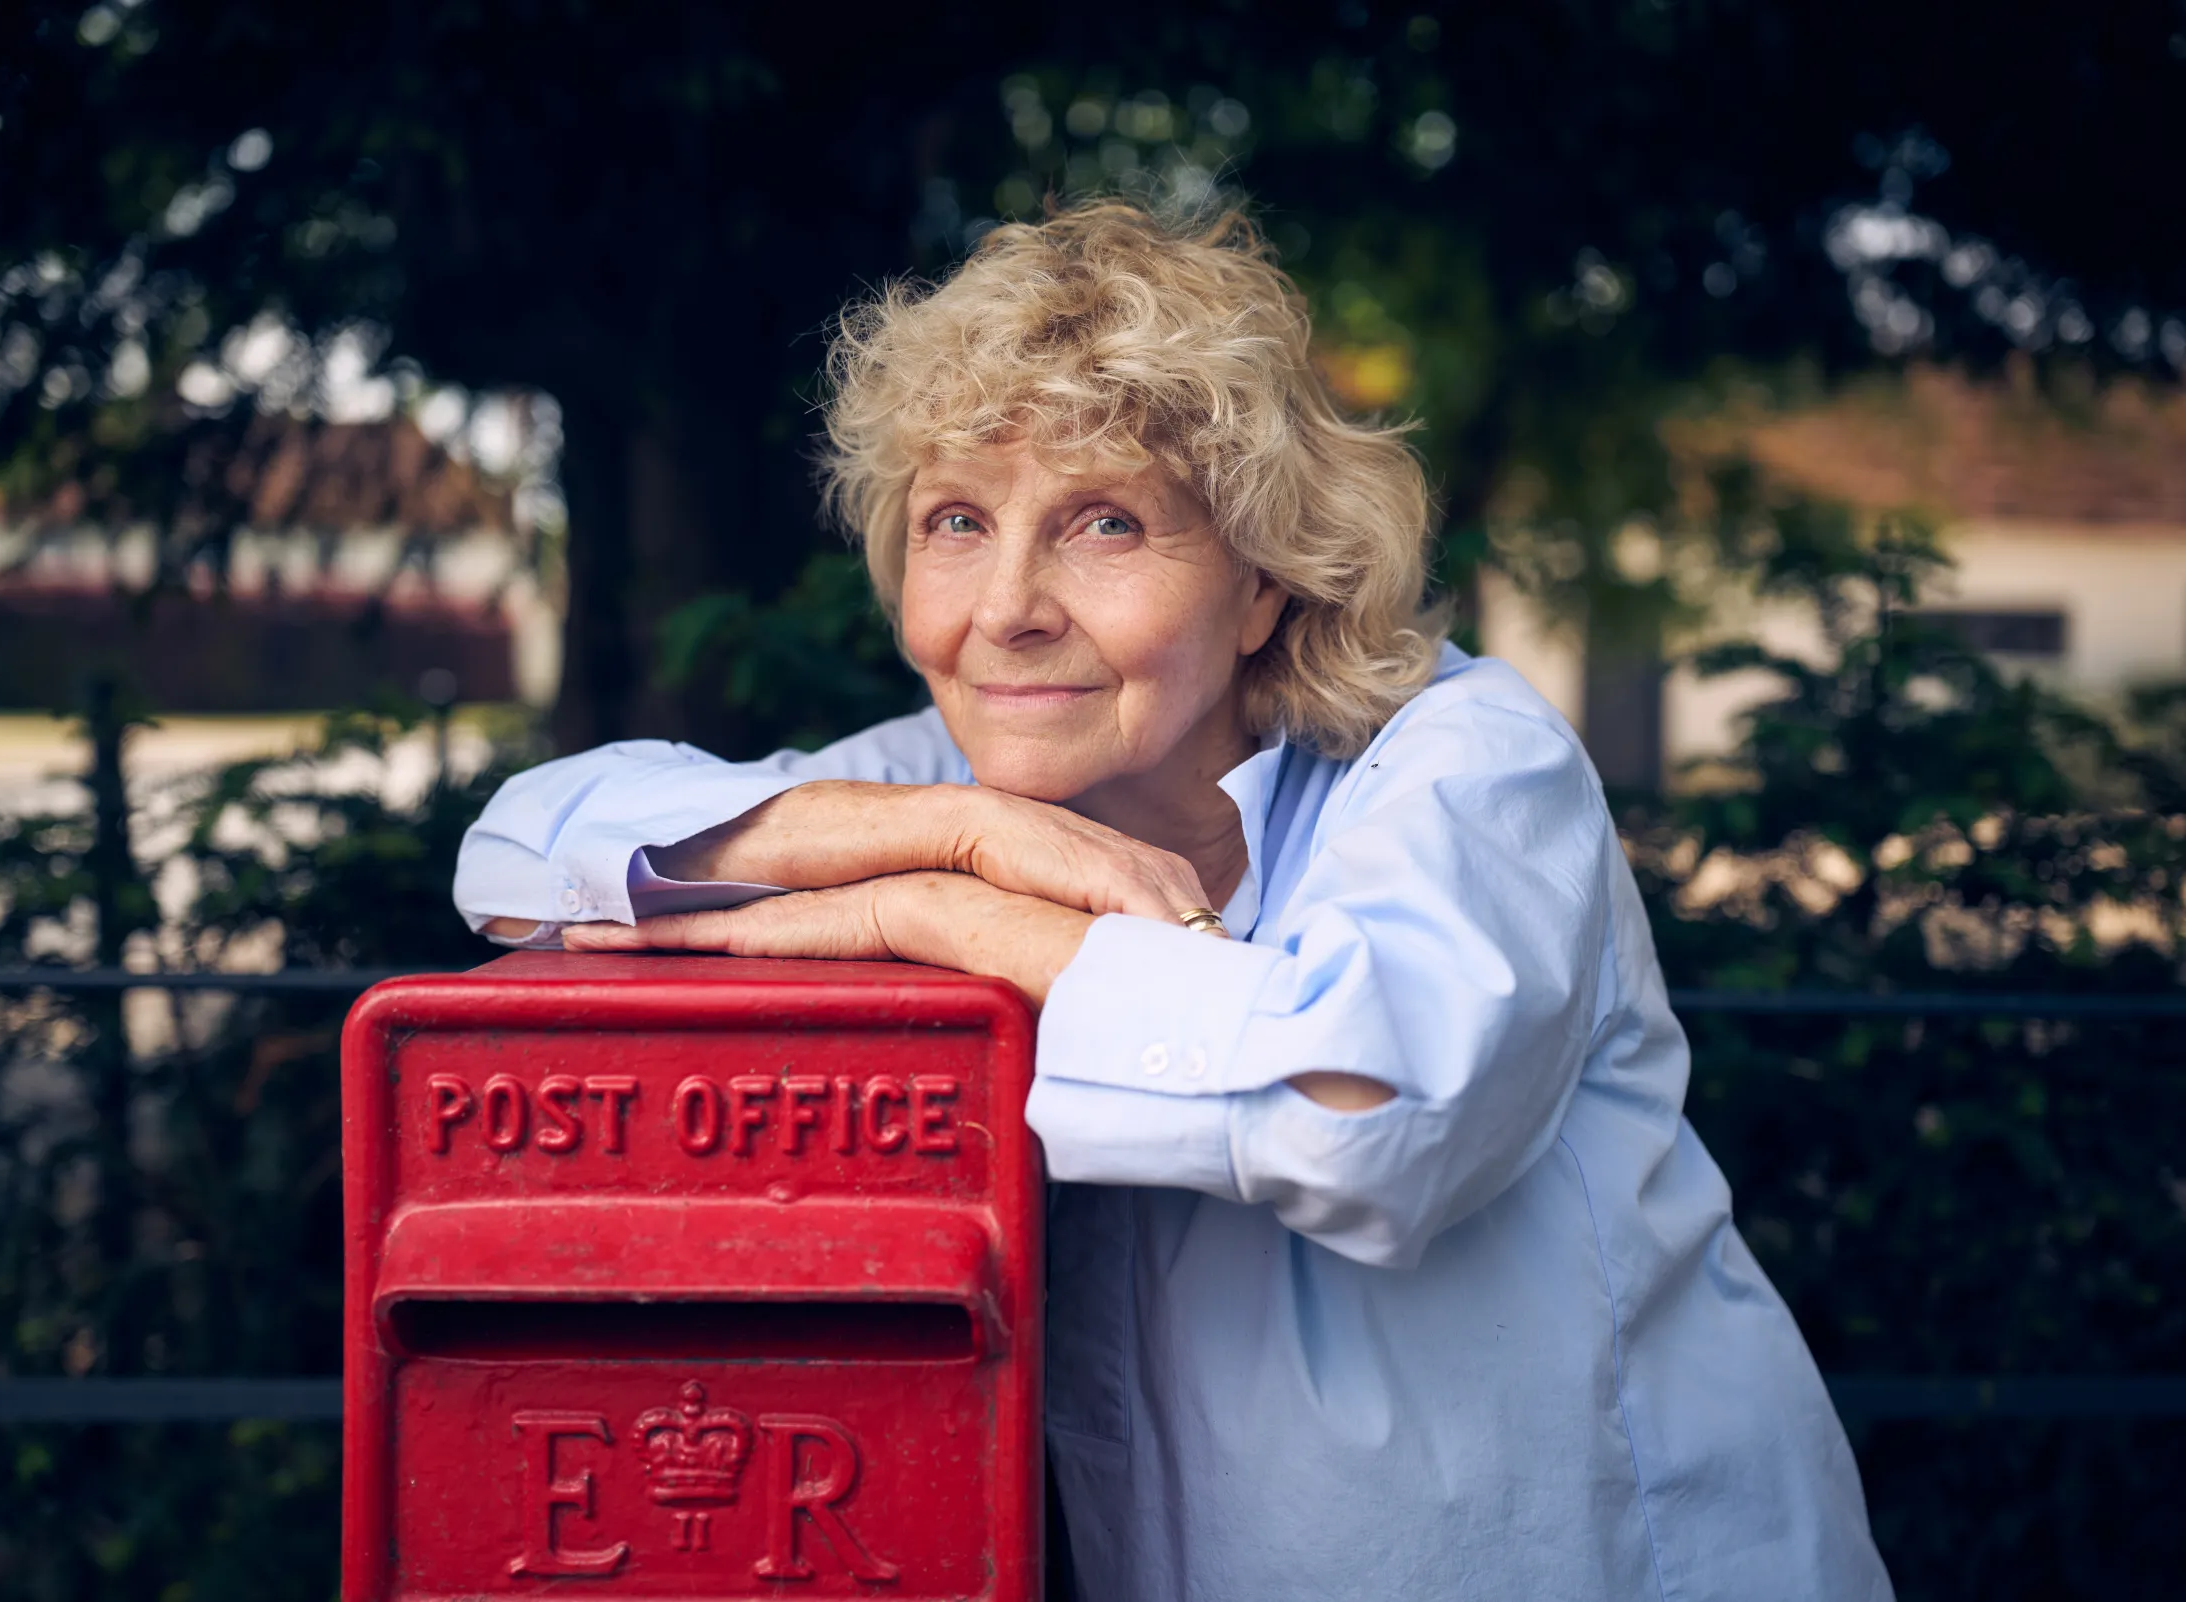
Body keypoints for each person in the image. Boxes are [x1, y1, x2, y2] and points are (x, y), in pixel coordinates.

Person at [453, 199, 1893, 1601]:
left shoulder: (1469, 758)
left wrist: (948, 915)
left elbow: (1371, 1113)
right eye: (957, 520)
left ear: (1263, 583)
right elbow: (517, 860)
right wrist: (949, 832)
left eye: (1105, 524)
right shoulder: (954, 776)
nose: (1006, 607)